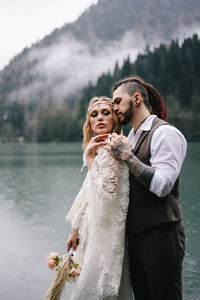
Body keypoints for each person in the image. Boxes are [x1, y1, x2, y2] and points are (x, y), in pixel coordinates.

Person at [104, 76, 187, 300]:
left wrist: (127, 156)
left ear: (137, 99)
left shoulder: (165, 133)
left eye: (118, 101)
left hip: (161, 237)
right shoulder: (130, 136)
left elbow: (162, 185)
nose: (114, 108)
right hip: (135, 239)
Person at [65, 96, 134, 300]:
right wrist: (75, 230)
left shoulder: (116, 146)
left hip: (108, 236)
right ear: (90, 123)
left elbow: (106, 192)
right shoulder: (99, 150)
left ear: (115, 118)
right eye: (94, 115)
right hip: (95, 232)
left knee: (96, 293)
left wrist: (88, 158)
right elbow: (87, 192)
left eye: (106, 113)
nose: (100, 118)